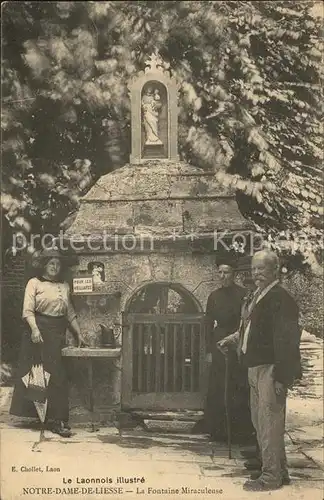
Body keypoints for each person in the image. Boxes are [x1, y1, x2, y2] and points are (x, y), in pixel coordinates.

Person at [218, 250, 302, 491]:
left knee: (269, 424)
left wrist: (282, 377)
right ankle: (280, 472)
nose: (256, 273)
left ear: (275, 270)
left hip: (270, 370)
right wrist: (232, 339)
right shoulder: (259, 296)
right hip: (254, 367)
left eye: (261, 269)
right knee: (261, 423)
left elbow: (287, 342)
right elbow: (250, 329)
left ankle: (270, 478)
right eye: (254, 269)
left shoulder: (280, 298)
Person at [10, 248, 87, 437]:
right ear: (45, 265)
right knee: (40, 375)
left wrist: (79, 334)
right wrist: (35, 330)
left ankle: (56, 419)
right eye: (52, 263)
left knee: (58, 375)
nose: (55, 267)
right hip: (38, 333)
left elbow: (69, 313)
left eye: (58, 264)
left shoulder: (64, 286)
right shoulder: (34, 283)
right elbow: (27, 310)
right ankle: (53, 420)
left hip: (58, 333)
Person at [195, 257, 255, 443]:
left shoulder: (243, 295)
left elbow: (246, 321)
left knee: (237, 385)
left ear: (234, 274)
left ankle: (239, 431)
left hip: (236, 341)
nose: (223, 276)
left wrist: (237, 340)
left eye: (226, 272)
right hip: (219, 342)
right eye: (220, 272)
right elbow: (208, 322)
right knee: (219, 385)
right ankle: (218, 429)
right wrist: (208, 348)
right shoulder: (214, 296)